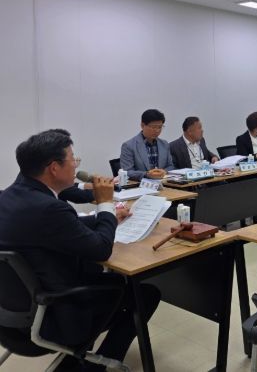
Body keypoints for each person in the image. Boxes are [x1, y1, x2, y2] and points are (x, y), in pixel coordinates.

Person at [0, 130, 160, 371]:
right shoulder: (49, 208)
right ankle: (95, 365)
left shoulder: (10, 197)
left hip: (11, 318)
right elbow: (101, 250)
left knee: (113, 281)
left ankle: (76, 361)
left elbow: (56, 228)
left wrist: (105, 218)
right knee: (143, 293)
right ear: (54, 168)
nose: (76, 164)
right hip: (55, 317)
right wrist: (105, 204)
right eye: (72, 159)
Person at [120, 109, 174, 180]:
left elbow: (171, 166)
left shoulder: (164, 144)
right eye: (153, 127)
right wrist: (146, 174)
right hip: (141, 184)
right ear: (142, 125)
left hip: (163, 182)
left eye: (160, 127)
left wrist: (164, 171)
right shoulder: (128, 146)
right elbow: (127, 172)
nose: (157, 130)